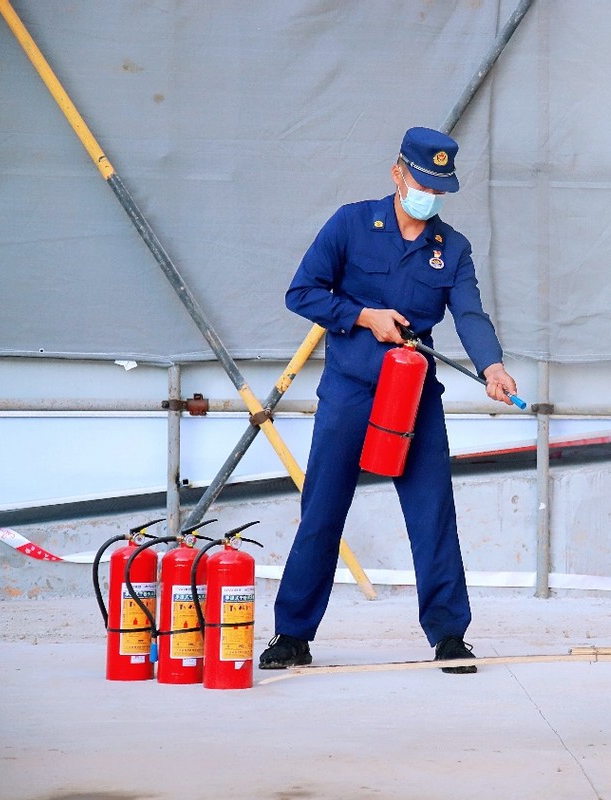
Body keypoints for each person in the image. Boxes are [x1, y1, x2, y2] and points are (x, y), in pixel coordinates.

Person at [259, 127, 518, 674]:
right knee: (323, 511)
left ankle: (449, 634)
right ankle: (292, 634)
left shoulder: (453, 249)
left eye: (440, 189)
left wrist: (491, 366)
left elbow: (470, 314)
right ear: (398, 173)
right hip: (350, 393)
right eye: (423, 182)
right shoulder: (351, 224)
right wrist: (361, 316)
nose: (431, 196)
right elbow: (301, 291)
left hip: (415, 397)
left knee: (433, 515)